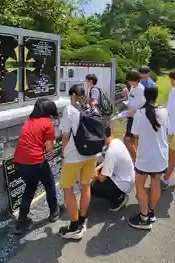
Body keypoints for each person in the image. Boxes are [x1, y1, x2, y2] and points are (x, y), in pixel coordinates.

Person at [13, 98, 61, 233]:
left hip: (19, 163)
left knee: (30, 187)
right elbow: (50, 148)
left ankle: (22, 221)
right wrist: (54, 141)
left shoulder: (28, 122)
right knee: (50, 184)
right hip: (36, 162)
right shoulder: (47, 123)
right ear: (49, 111)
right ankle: (54, 212)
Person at [58, 85, 97, 240]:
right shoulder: (91, 107)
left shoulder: (69, 109)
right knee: (85, 186)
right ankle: (83, 219)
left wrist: (62, 154)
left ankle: (74, 227)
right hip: (92, 153)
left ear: (73, 95)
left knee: (67, 188)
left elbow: (65, 135)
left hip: (74, 155)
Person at [128, 85, 169, 230]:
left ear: (145, 96)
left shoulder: (140, 113)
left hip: (145, 157)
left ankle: (144, 217)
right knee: (155, 183)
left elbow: (134, 135)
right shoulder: (164, 111)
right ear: (157, 95)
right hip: (161, 156)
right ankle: (151, 212)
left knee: (140, 185)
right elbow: (167, 131)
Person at [91, 126, 134, 212]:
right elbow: (106, 162)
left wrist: (92, 175)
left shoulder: (111, 152)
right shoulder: (116, 141)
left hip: (124, 184)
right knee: (99, 167)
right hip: (128, 177)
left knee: (93, 188)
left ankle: (118, 199)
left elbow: (102, 178)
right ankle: (117, 194)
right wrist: (97, 168)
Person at [124, 69, 146, 161]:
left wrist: (132, 112)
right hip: (131, 116)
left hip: (136, 118)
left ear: (135, 80)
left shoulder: (140, 89)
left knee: (128, 140)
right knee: (129, 140)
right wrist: (126, 94)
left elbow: (141, 105)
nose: (128, 82)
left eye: (129, 80)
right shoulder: (133, 87)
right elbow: (131, 101)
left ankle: (136, 160)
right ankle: (135, 159)